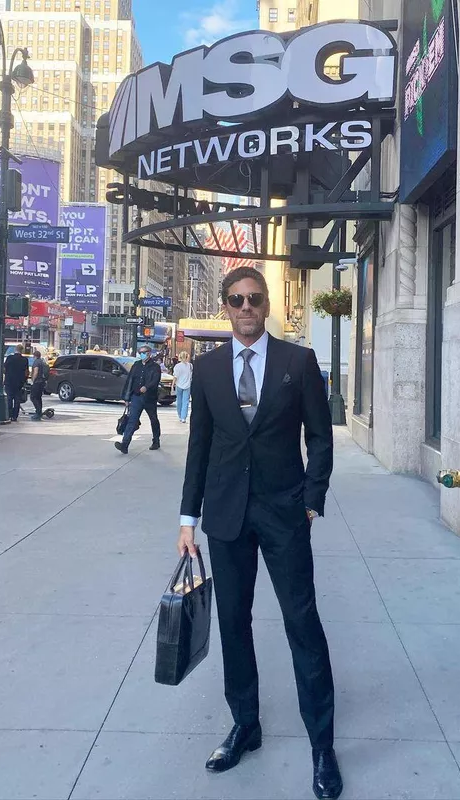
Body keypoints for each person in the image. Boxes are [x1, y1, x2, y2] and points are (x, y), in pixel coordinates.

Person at [177, 266, 339, 800]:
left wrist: (312, 499)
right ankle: (246, 725)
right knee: (233, 624)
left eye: (253, 298)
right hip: (225, 518)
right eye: (235, 300)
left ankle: (322, 744)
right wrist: (187, 520)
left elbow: (320, 435)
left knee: (302, 623)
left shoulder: (298, 361)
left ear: (266, 305)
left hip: (284, 514)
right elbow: (199, 447)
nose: (245, 307)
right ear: (226, 308)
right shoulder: (207, 370)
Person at [115, 344, 161, 454]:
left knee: (153, 419)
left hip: (149, 398)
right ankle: (125, 444)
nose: (142, 354)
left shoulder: (155, 367)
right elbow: (130, 381)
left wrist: (147, 387)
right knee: (132, 420)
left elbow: (155, 380)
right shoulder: (136, 365)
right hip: (136, 397)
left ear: (149, 353)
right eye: (140, 352)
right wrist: (126, 397)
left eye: (144, 352)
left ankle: (156, 440)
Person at [4, 344, 29, 422]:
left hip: (9, 381)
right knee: (17, 400)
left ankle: (9, 415)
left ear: (15, 349)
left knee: (9, 399)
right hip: (19, 383)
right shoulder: (25, 360)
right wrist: (24, 380)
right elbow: (26, 372)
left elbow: (5, 369)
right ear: (22, 350)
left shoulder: (9, 358)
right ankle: (15, 416)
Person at [173, 351, 193, 424]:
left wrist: (173, 385)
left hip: (179, 385)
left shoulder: (177, 366)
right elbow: (191, 376)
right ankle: (183, 417)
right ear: (187, 357)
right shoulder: (190, 365)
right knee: (185, 402)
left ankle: (180, 415)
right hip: (187, 385)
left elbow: (175, 377)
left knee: (179, 401)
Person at [29, 349, 48, 420]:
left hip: (37, 382)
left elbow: (36, 372)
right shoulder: (42, 362)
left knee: (33, 397)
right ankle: (39, 412)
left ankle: (38, 412)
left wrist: (33, 380)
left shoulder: (36, 362)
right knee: (39, 397)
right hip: (42, 382)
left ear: (34, 356)